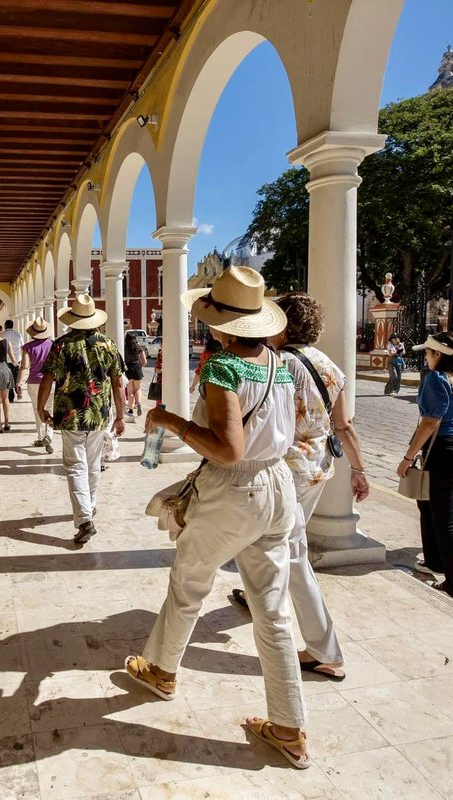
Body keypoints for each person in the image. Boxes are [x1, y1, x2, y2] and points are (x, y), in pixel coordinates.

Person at [124, 267, 312, 769]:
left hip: (236, 490)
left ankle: (161, 671)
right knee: (272, 609)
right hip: (278, 489)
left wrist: (170, 421)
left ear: (220, 323)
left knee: (189, 581)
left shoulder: (224, 368)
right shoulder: (279, 363)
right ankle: (289, 726)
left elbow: (227, 451)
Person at [231, 292, 371, 682]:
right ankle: (261, 596)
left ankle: (324, 651)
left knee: (290, 553)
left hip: (284, 471)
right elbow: (343, 424)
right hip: (318, 468)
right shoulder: (329, 364)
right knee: (290, 545)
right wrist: (359, 469)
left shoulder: (276, 365)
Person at [396, 331, 453, 604]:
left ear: (437, 354)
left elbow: (429, 422)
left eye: (427, 353)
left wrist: (408, 458)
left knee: (444, 519)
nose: (425, 357)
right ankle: (434, 560)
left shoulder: (436, 379)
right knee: (427, 504)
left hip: (443, 451)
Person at [36, 294, 125, 545]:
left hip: (69, 415)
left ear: (73, 319)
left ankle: (85, 517)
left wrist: (41, 408)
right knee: (93, 464)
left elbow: (47, 378)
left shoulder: (61, 345)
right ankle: (90, 506)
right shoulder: (108, 344)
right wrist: (120, 415)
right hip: (98, 415)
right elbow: (118, 383)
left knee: (76, 466)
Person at [20, 319, 55, 454]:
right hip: (52, 382)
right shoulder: (53, 345)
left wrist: (19, 382)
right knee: (50, 410)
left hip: (34, 382)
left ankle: (41, 437)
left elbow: (24, 367)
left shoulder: (28, 347)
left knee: (37, 410)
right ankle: (49, 435)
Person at [123, 331, 148, 418]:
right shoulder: (139, 348)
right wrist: (139, 366)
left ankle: (130, 408)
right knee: (137, 389)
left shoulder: (124, 348)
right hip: (137, 367)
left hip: (128, 369)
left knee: (130, 391)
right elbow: (145, 361)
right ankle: (138, 403)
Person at [3, 320, 24, 402]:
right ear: (12, 325)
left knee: (7, 378)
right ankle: (18, 390)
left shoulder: (2, 335)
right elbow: (22, 346)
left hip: (5, 360)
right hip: (17, 359)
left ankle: (10, 395)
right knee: (16, 377)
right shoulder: (18, 334)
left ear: (5, 326)